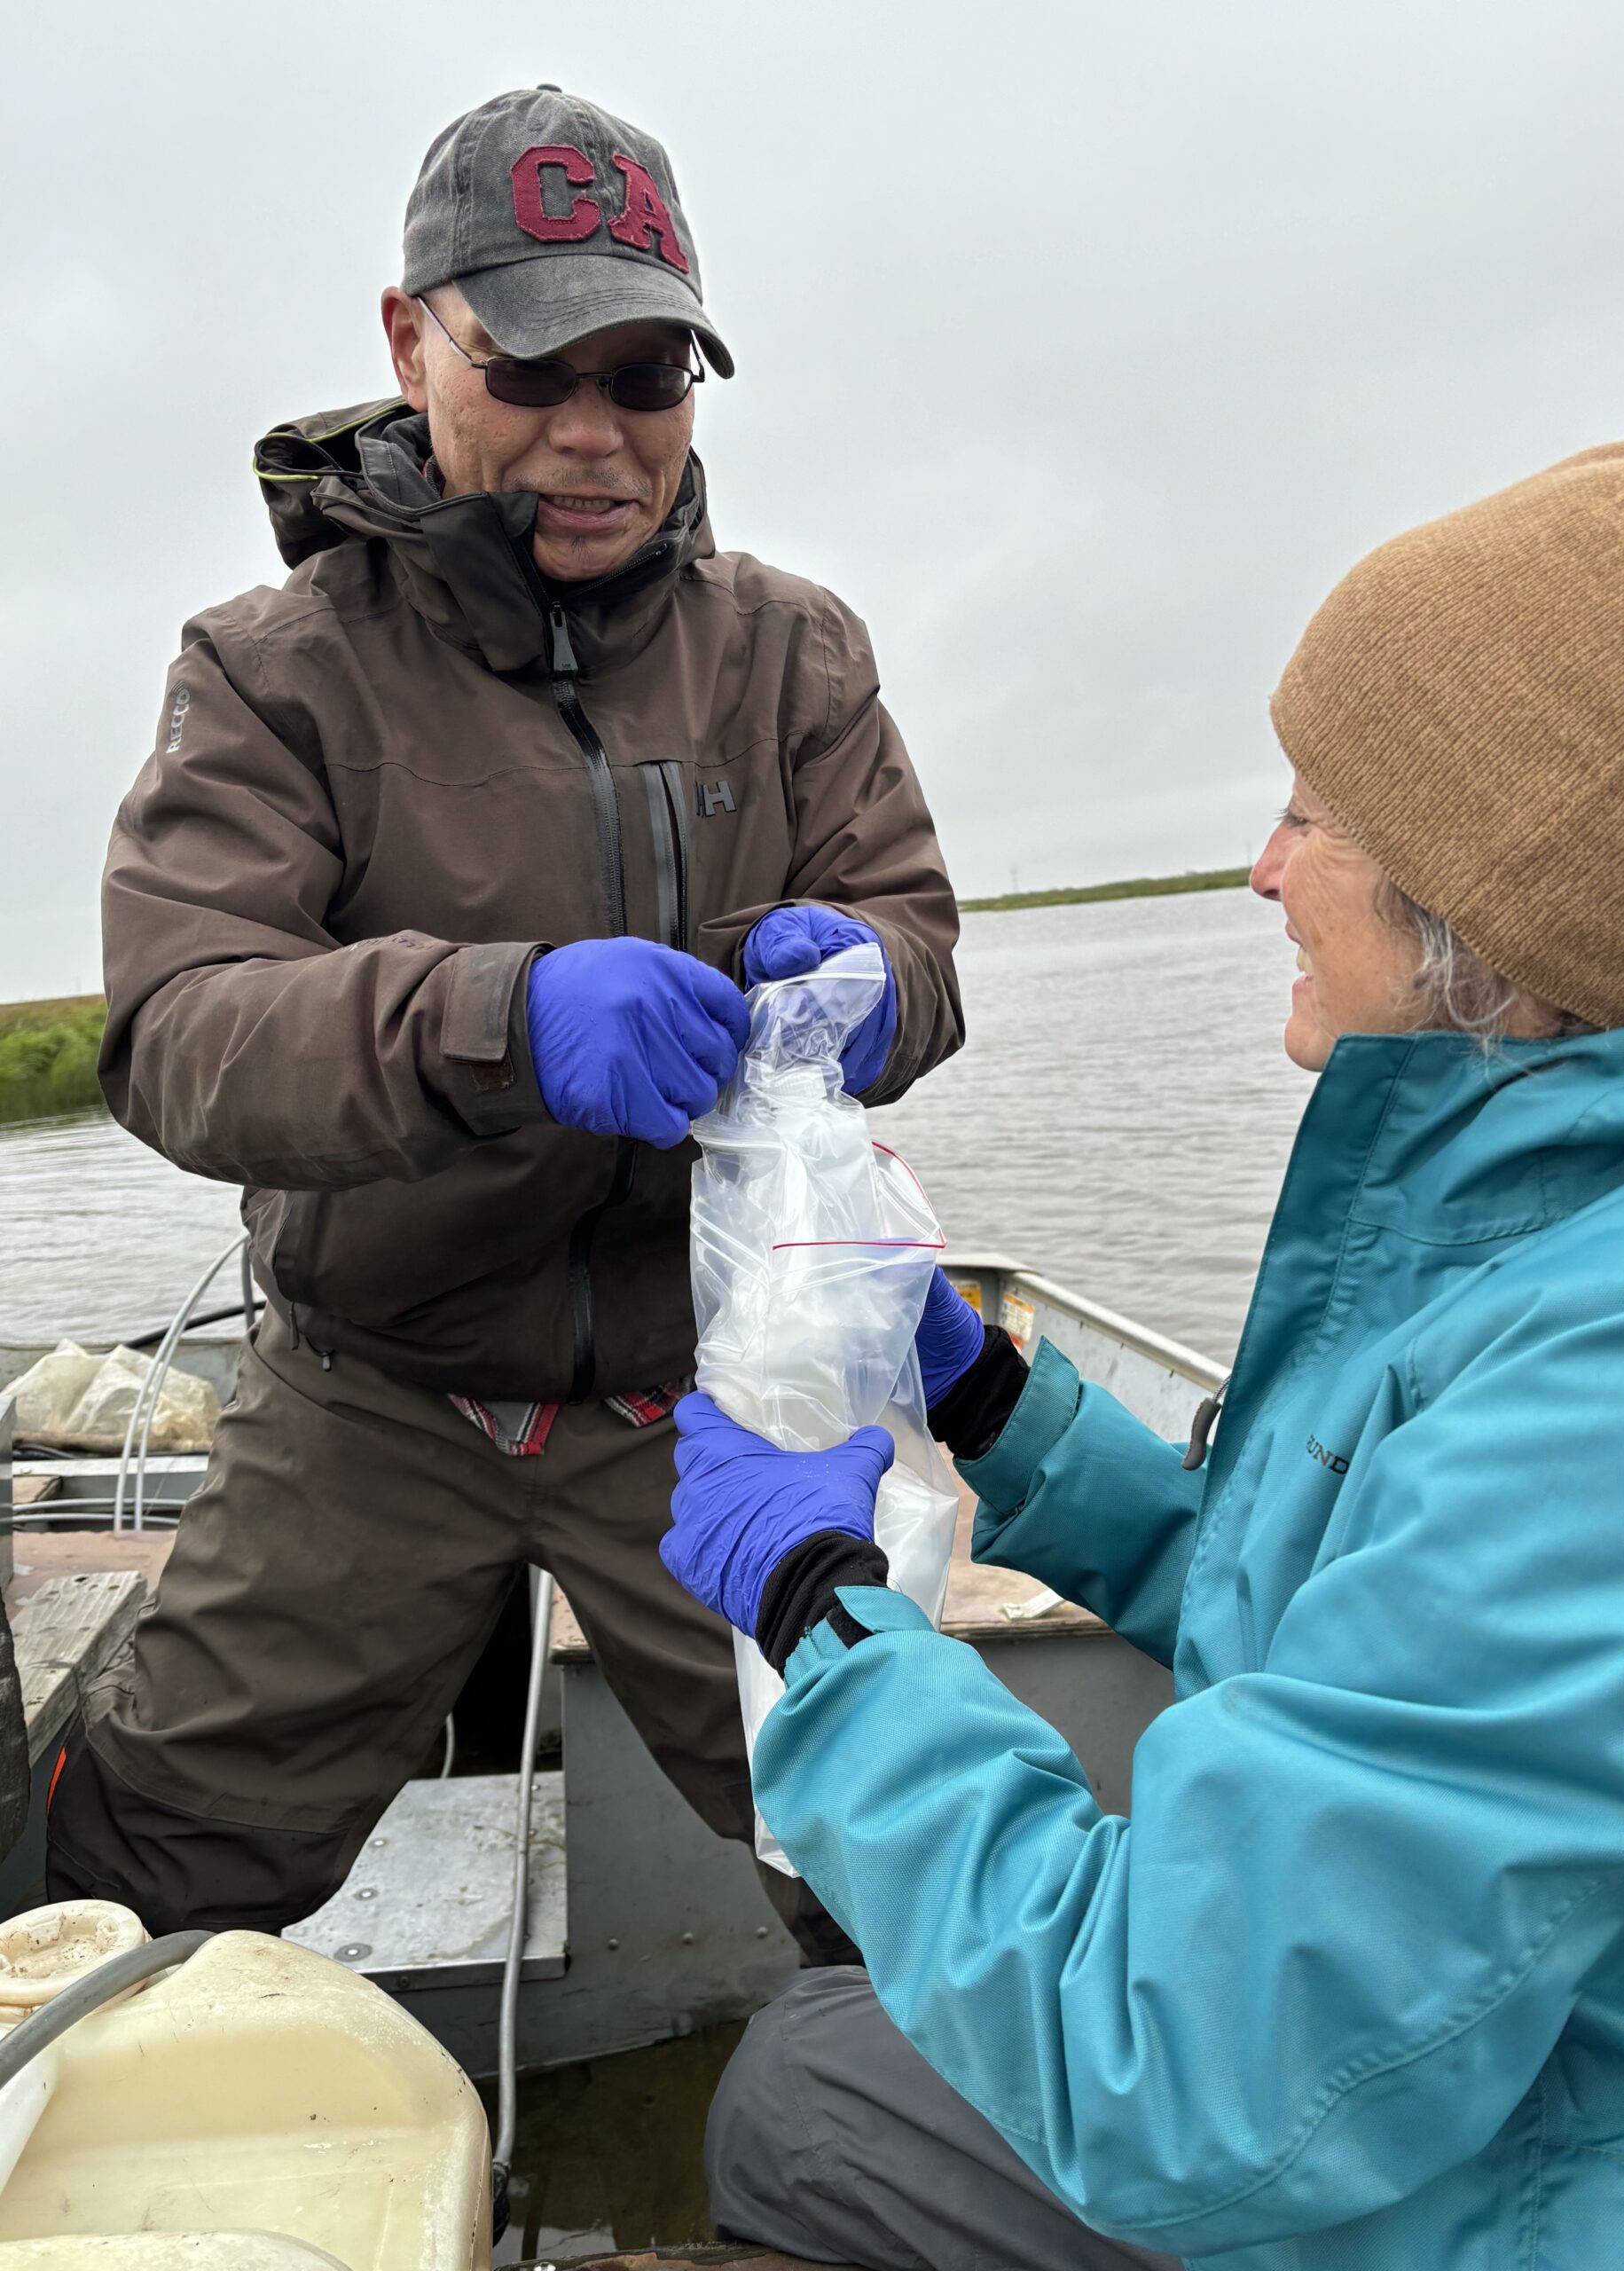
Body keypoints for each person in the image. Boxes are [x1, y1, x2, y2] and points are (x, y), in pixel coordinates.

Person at [662, 440, 1624, 2267]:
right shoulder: (1578, 1225)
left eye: (1322, 810)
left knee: (798, 2095)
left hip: (1577, 2183)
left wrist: (824, 1611)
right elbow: (1341, 1608)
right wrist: (998, 1396)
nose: (1262, 864)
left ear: (1510, 911)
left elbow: (1179, 2068)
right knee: (832, 2051)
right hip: (1539, 2070)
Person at [46, 84, 962, 1958]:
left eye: (648, 376)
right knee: (150, 1860)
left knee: (885, 1839)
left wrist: (869, 986)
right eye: (537, 365)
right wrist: (500, 1017)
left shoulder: (798, 650)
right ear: (410, 337)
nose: (595, 434)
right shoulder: (267, 671)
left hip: (709, 1392)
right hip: (373, 1390)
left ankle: (927, 2162)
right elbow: (182, 1033)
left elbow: (922, 941)